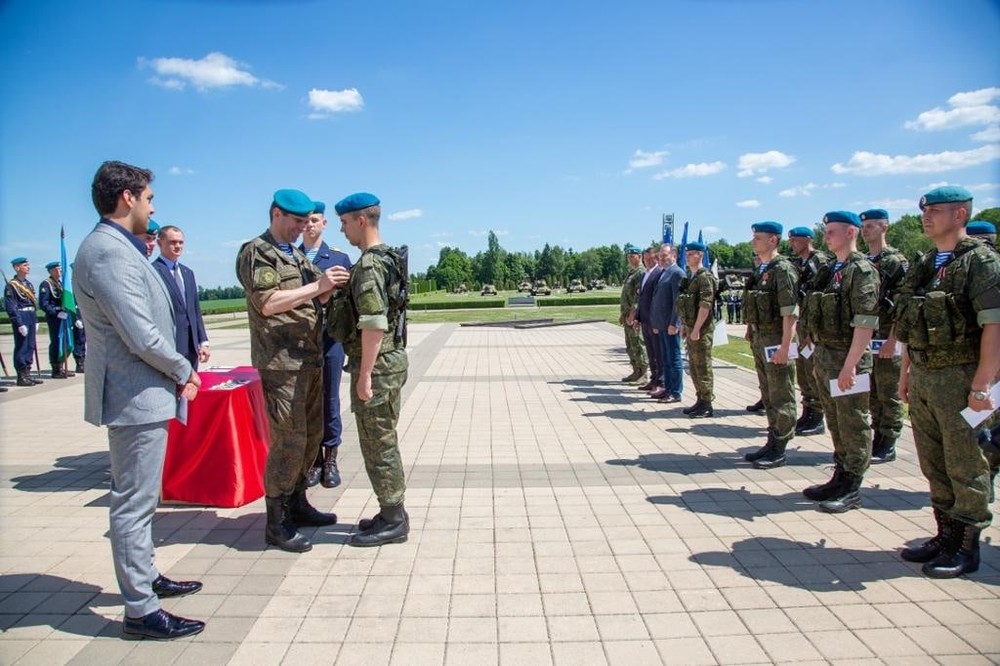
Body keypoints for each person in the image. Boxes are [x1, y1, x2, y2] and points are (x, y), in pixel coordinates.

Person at [73, 160, 204, 640]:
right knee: (132, 502)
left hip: (143, 392)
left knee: (143, 499)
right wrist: (183, 368)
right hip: (134, 394)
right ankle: (140, 610)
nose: (153, 207)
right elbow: (141, 335)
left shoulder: (121, 248)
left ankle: (146, 577)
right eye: (149, 198)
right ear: (127, 198)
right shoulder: (107, 252)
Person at [895, 185, 999, 578]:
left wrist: (982, 385)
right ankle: (945, 535)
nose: (926, 217)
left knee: (966, 463)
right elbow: (909, 325)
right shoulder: (925, 263)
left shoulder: (981, 263)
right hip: (923, 376)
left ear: (960, 215)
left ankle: (966, 546)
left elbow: (994, 326)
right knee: (933, 462)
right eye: (925, 211)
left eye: (935, 211)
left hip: (961, 380)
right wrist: (905, 374)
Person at [236, 189, 349, 553]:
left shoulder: (296, 254)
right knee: (289, 440)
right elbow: (268, 304)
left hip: (310, 358)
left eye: (307, 222)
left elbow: (320, 294)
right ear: (276, 215)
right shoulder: (258, 252)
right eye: (298, 221)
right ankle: (277, 519)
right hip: (281, 362)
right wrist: (318, 286)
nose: (304, 228)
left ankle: (298, 502)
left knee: (312, 435)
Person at [331, 192, 411, 547]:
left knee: (378, 444)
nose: (342, 229)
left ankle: (393, 518)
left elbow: (374, 323)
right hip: (391, 360)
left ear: (361, 220)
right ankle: (390, 511)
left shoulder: (368, 266)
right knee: (382, 438)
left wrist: (364, 374)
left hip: (377, 365)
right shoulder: (389, 258)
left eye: (345, 222)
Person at [802, 211, 879, 513]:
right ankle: (840, 475)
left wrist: (851, 365)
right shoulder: (832, 268)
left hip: (848, 359)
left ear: (851, 233)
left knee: (853, 423)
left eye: (832, 231)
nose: (826, 237)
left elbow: (865, 322)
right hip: (825, 356)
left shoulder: (861, 270)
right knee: (835, 421)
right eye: (825, 231)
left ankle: (852, 486)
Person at [300, 201, 353, 488]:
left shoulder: (338, 258)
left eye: (315, 220)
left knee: (330, 401)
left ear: (324, 224)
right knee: (307, 403)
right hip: (299, 342)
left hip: (330, 340)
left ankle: (330, 457)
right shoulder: (290, 258)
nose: (309, 225)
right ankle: (314, 461)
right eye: (305, 220)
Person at [742, 222, 799, 469]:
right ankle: (771, 439)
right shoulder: (761, 268)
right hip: (760, 338)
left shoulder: (783, 269)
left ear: (773, 240)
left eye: (758, 237)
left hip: (777, 339)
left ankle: (780, 446)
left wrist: (786, 347)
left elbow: (790, 313)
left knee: (781, 394)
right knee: (768, 393)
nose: (753, 241)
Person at [860, 209, 908, 463]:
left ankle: (888, 439)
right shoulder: (865, 260)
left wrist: (893, 339)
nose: (866, 230)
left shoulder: (895, 261)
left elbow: (902, 306)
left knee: (888, 390)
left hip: (887, 336)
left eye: (871, 226)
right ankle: (877, 433)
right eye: (864, 226)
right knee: (872, 390)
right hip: (869, 336)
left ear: (884, 227)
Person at [788, 226, 832, 436]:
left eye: (795, 240)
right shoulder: (797, 263)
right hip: (800, 322)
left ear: (807, 240)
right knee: (803, 372)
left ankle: (817, 416)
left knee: (813, 371)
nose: (792, 245)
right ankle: (808, 411)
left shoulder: (820, 262)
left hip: (813, 326)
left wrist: (812, 332)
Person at [151, 225, 210, 370]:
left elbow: (195, 310)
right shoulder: (152, 272)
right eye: (172, 242)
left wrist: (203, 342)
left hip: (192, 350)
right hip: (169, 348)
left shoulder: (187, 273)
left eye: (180, 242)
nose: (177, 246)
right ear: (159, 243)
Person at [677, 242, 717, 417]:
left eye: (691, 254)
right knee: (693, 367)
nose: (687, 257)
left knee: (703, 367)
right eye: (686, 254)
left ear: (700, 255)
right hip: (692, 328)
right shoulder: (691, 277)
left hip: (701, 330)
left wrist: (697, 328)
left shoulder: (704, 277)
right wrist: (686, 327)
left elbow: (705, 305)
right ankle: (700, 399)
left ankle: (707, 403)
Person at [650, 244, 684, 402]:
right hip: (662, 325)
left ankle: (675, 392)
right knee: (666, 359)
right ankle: (668, 388)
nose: (662, 259)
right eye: (660, 256)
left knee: (674, 359)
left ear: (674, 256)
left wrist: (675, 323)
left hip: (670, 326)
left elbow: (678, 301)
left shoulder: (676, 273)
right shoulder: (665, 272)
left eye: (665, 256)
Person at [4, 257, 43, 386]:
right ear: (17, 268)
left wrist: (36, 319)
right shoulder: (12, 286)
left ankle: (27, 373)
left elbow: (33, 303)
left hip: (30, 315)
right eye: (25, 265)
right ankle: (21, 376)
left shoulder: (29, 284)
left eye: (28, 265)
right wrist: (19, 323)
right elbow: (11, 306)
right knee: (22, 346)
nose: (28, 267)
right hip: (21, 315)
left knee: (30, 345)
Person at [38, 261, 77, 379]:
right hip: (55, 318)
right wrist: (56, 313)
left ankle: (61, 366)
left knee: (65, 341)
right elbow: (44, 304)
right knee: (56, 342)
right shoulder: (46, 284)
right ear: (51, 271)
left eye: (60, 269)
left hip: (63, 316)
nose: (60, 271)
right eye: (57, 269)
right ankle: (55, 369)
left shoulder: (60, 283)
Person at [636, 248, 663, 393]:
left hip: (654, 321)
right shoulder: (645, 274)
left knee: (658, 354)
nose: (648, 261)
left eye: (651, 259)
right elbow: (641, 299)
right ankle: (653, 380)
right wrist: (637, 317)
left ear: (657, 258)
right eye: (645, 259)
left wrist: (655, 321)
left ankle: (660, 382)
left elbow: (656, 300)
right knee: (651, 353)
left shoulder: (659, 273)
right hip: (645, 320)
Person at [618, 244, 647, 383]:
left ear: (639, 257)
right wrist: (623, 314)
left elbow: (638, 297)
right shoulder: (632, 273)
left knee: (638, 345)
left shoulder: (641, 273)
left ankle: (643, 373)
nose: (630, 259)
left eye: (632, 256)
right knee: (630, 345)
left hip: (635, 317)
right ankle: (636, 371)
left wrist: (632, 314)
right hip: (627, 315)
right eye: (628, 256)